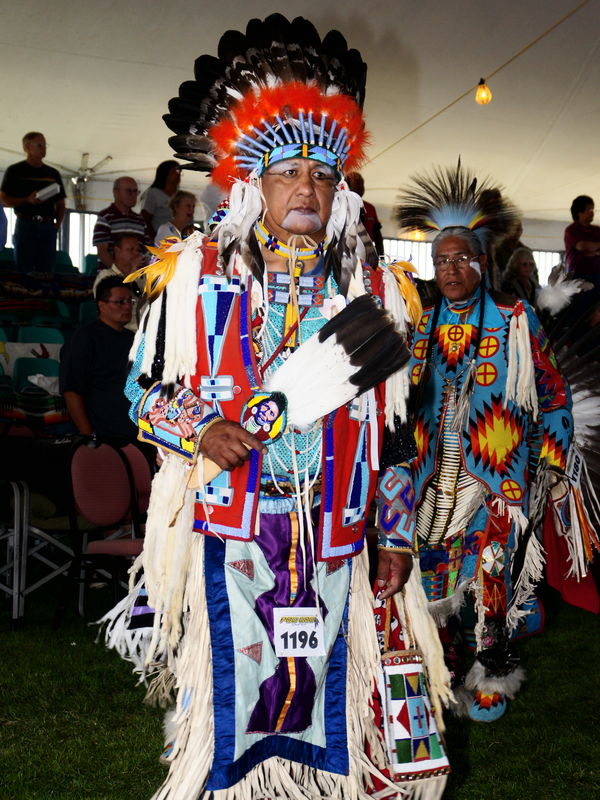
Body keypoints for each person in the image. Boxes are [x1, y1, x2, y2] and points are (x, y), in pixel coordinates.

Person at [102, 14, 452, 800]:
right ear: (252, 180)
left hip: (336, 531)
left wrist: (395, 535)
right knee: (234, 699)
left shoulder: (376, 296)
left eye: (324, 175)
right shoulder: (196, 275)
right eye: (290, 171)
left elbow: (400, 432)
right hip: (234, 528)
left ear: (341, 190)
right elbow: (138, 393)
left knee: (330, 687)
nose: (308, 188)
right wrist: (203, 428)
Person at [395, 163, 592, 723]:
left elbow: (551, 393)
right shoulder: (421, 321)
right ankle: (440, 662)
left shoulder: (513, 318)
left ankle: (493, 670)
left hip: (497, 470)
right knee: (433, 568)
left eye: (461, 258)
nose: (450, 268)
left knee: (491, 570)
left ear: (481, 262)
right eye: (441, 261)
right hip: (433, 470)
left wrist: (553, 463)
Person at [60, 275, 137, 443]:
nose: (127, 307)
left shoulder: (132, 339)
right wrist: (88, 435)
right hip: (102, 434)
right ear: (102, 305)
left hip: (132, 432)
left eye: (130, 301)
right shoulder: (84, 338)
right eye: (120, 302)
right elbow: (71, 390)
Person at [0, 132, 66, 273]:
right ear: (27, 147)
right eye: (39, 145)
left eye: (45, 145)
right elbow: (4, 198)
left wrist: (56, 226)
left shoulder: (53, 173)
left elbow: (61, 204)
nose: (43, 148)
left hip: (48, 226)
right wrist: (26, 200)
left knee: (46, 269)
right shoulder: (15, 171)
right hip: (25, 224)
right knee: (24, 269)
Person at [92, 176, 150, 269]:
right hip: (111, 279)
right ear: (116, 192)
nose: (133, 195)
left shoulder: (140, 220)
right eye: (128, 191)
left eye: (136, 191)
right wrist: (120, 274)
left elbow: (147, 251)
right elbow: (102, 252)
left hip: (135, 278)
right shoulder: (106, 217)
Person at [564, 194, 600, 288]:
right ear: (579, 212)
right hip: (577, 276)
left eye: (593, 209)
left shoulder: (596, 230)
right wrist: (594, 249)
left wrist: (591, 249)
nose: (592, 212)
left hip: (597, 274)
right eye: (589, 209)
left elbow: (586, 248)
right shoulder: (571, 230)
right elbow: (582, 246)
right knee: (579, 302)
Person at [346, 170, 385, 256]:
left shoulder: (370, 208)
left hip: (367, 252)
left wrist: (381, 255)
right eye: (355, 185)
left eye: (360, 184)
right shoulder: (340, 208)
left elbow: (377, 235)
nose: (358, 187)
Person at [141, 160, 181, 240]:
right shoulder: (153, 193)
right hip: (160, 240)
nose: (178, 174)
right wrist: (154, 238)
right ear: (165, 174)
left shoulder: (180, 195)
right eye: (174, 171)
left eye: (179, 171)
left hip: (178, 239)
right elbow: (145, 218)